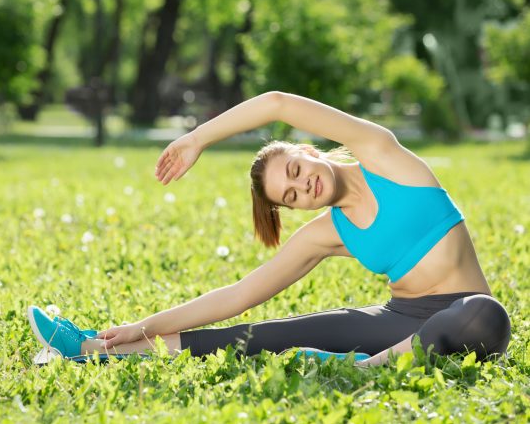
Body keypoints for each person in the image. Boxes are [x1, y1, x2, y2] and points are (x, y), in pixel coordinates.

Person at [27, 91, 511, 366]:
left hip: (462, 320)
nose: (305, 188)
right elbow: (238, 296)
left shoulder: (383, 155)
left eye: (297, 172)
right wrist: (143, 325)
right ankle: (92, 348)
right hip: (398, 322)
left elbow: (278, 103)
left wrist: (198, 138)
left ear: (310, 151)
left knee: (485, 315)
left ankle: (364, 370)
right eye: (291, 196)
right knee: (259, 335)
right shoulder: (328, 232)